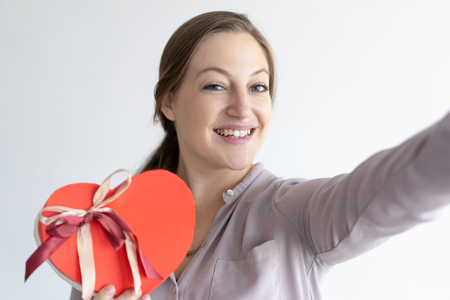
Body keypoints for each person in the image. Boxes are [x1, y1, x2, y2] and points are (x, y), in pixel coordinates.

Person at [70, 11, 450, 300]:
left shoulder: (296, 214)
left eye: (258, 86)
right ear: (168, 101)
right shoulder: (110, 232)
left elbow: (400, 185)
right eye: (216, 85)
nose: (242, 107)